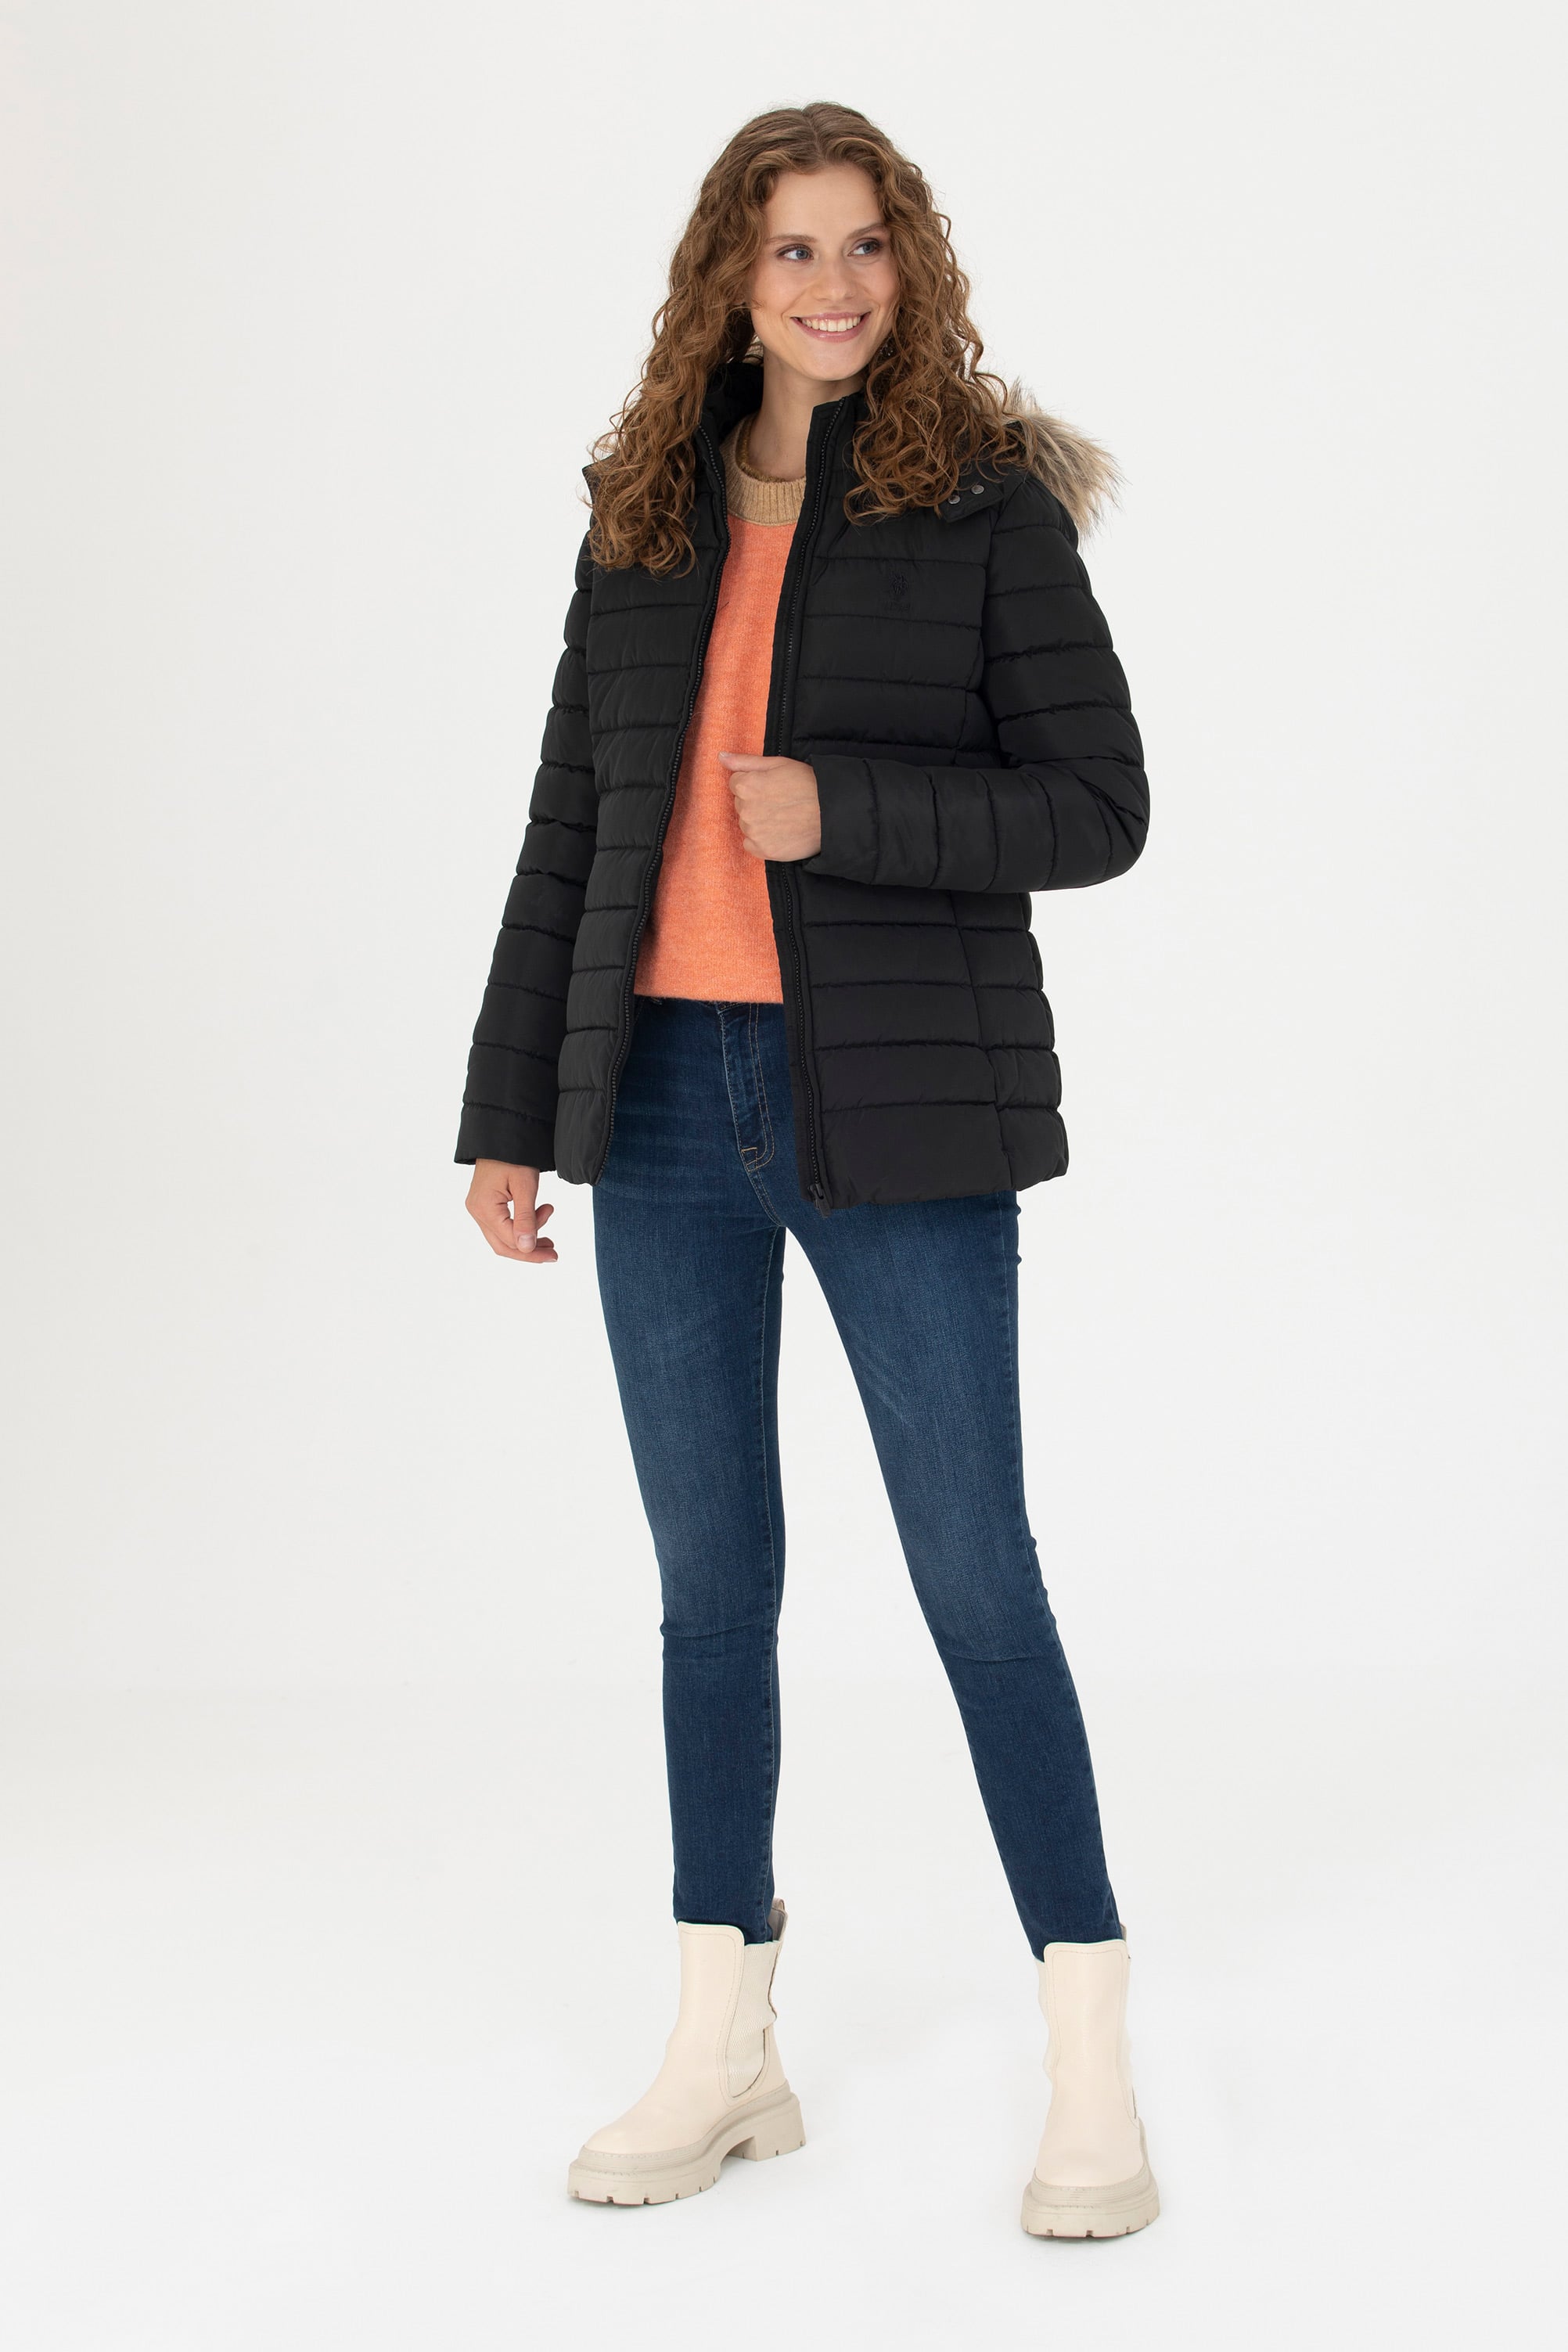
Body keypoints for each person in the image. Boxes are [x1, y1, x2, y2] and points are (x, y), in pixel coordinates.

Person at [456, 101, 1156, 2238]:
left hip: (896, 1105)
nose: (834, 285)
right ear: (729, 281)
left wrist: (840, 808)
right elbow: (572, 826)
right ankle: (724, 2049)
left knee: (976, 1580)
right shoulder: (645, 507)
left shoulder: (982, 505)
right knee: (709, 1590)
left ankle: (1091, 2069)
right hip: (662, 1102)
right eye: (792, 252)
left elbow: (1098, 807)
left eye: (865, 245)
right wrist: (509, 1107)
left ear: (907, 264)